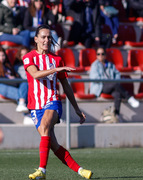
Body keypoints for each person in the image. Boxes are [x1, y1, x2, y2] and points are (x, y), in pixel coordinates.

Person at [23, 25, 92, 179]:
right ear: (36, 39)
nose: (46, 40)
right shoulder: (29, 57)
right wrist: (55, 70)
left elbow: (66, 87)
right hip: (35, 106)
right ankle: (81, 171)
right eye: (43, 37)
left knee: (46, 125)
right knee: (52, 144)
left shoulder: (57, 59)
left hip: (52, 100)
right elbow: (35, 74)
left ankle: (42, 170)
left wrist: (76, 108)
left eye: (49, 37)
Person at [89, 47, 140, 122]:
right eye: (98, 54)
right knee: (115, 84)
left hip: (112, 86)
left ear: (105, 55)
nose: (100, 55)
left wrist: (113, 81)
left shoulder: (110, 64)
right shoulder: (94, 65)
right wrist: (110, 81)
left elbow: (117, 74)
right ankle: (128, 98)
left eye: (102, 54)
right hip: (100, 87)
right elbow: (95, 78)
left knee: (117, 94)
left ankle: (116, 115)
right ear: (96, 55)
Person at [0, 47, 29, 113]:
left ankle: (22, 105)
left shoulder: (7, 66)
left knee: (24, 83)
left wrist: (14, 79)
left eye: (3, 55)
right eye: (0, 56)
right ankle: (26, 113)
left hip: (12, 84)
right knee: (22, 93)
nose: (2, 57)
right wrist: (9, 79)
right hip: (2, 86)